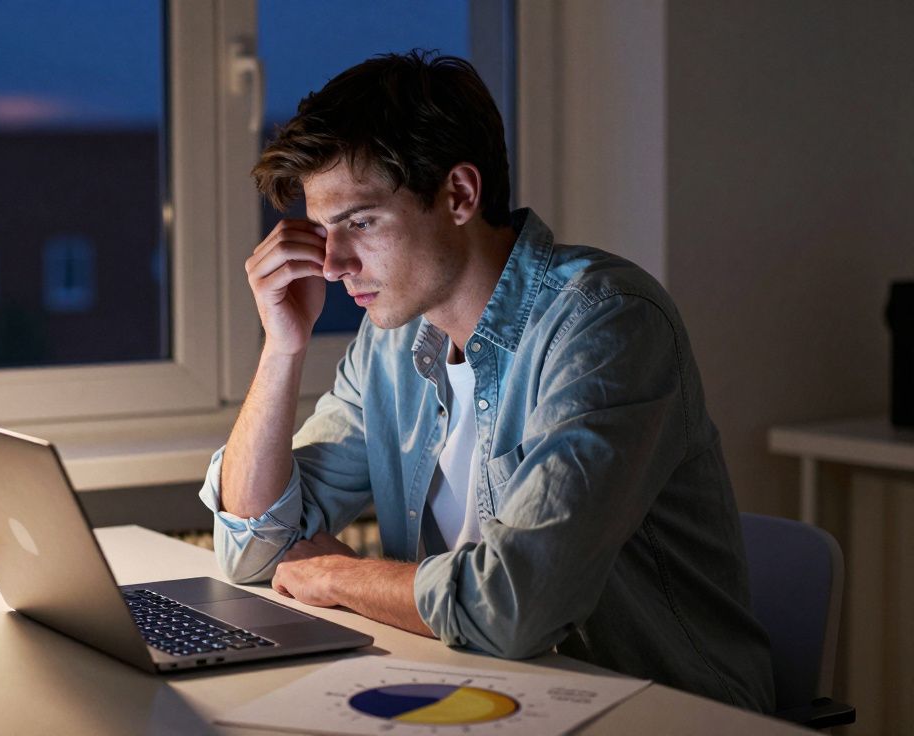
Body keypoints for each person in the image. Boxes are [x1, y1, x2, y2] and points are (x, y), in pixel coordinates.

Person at [197, 50, 774, 712]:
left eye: (359, 222)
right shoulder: (390, 343)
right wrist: (281, 347)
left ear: (460, 195)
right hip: (492, 698)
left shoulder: (606, 325)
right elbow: (252, 551)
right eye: (322, 232)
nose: (331, 266)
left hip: (663, 713)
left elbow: (514, 607)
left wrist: (340, 575)